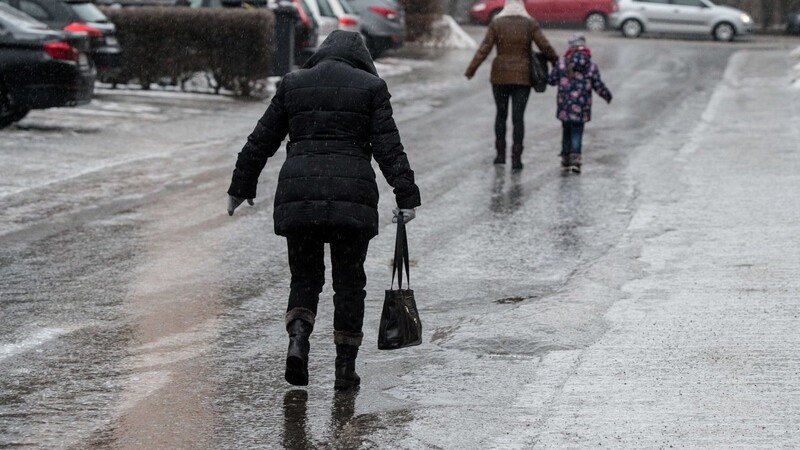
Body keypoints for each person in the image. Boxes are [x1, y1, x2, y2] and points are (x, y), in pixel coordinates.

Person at [226, 31, 421, 390]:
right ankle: (345, 369)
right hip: (352, 198)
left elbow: (261, 139)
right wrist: (406, 195)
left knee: (304, 278)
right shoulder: (371, 88)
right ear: (361, 58)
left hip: (300, 197)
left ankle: (299, 338)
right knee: (349, 283)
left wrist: (241, 186)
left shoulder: (294, 83)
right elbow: (389, 148)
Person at [464, 0, 558, 170]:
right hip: (522, 78)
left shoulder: (497, 23)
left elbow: (484, 49)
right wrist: (558, 63)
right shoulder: (529, 23)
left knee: (501, 115)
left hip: (500, 76)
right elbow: (545, 46)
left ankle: (500, 156)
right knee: (518, 118)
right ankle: (516, 158)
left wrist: (471, 69)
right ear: (522, 6)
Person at [547, 33, 612, 174]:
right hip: (582, 107)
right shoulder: (591, 66)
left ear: (570, 47)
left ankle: (565, 158)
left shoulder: (562, 63)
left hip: (565, 106)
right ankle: (576, 160)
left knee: (566, 131)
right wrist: (606, 95)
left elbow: (551, 80)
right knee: (577, 132)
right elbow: (597, 84)